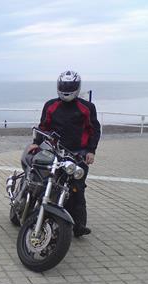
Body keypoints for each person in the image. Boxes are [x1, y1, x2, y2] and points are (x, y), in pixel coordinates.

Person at [28, 70, 100, 237]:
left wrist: (91, 151)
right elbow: (43, 127)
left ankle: (79, 225)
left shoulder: (87, 108)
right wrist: (36, 143)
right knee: (45, 182)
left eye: (70, 86)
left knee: (76, 189)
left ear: (77, 87)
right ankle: (34, 213)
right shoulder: (51, 105)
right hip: (54, 152)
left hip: (78, 155)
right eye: (64, 85)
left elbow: (94, 130)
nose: (67, 88)